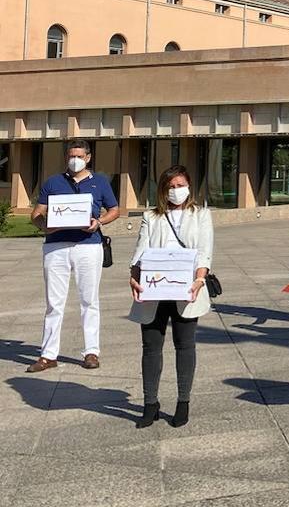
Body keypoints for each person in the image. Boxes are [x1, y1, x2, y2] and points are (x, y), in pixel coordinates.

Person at [127, 166, 213, 428]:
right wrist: (133, 275)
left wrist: (200, 279)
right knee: (151, 347)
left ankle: (183, 402)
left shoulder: (201, 214)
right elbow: (140, 250)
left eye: (181, 185)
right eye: (171, 186)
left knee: (184, 345)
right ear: (163, 190)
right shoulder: (151, 216)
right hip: (154, 287)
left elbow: (204, 251)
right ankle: (150, 404)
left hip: (187, 288)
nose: (176, 191)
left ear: (189, 186)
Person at [26, 140, 120, 373]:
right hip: (56, 247)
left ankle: (91, 352)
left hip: (88, 245)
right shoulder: (53, 182)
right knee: (53, 303)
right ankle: (48, 355)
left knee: (89, 300)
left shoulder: (99, 182)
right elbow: (36, 214)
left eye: (79, 156)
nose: (74, 160)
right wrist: (46, 225)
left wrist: (98, 222)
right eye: (70, 156)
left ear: (88, 157)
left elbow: (114, 210)